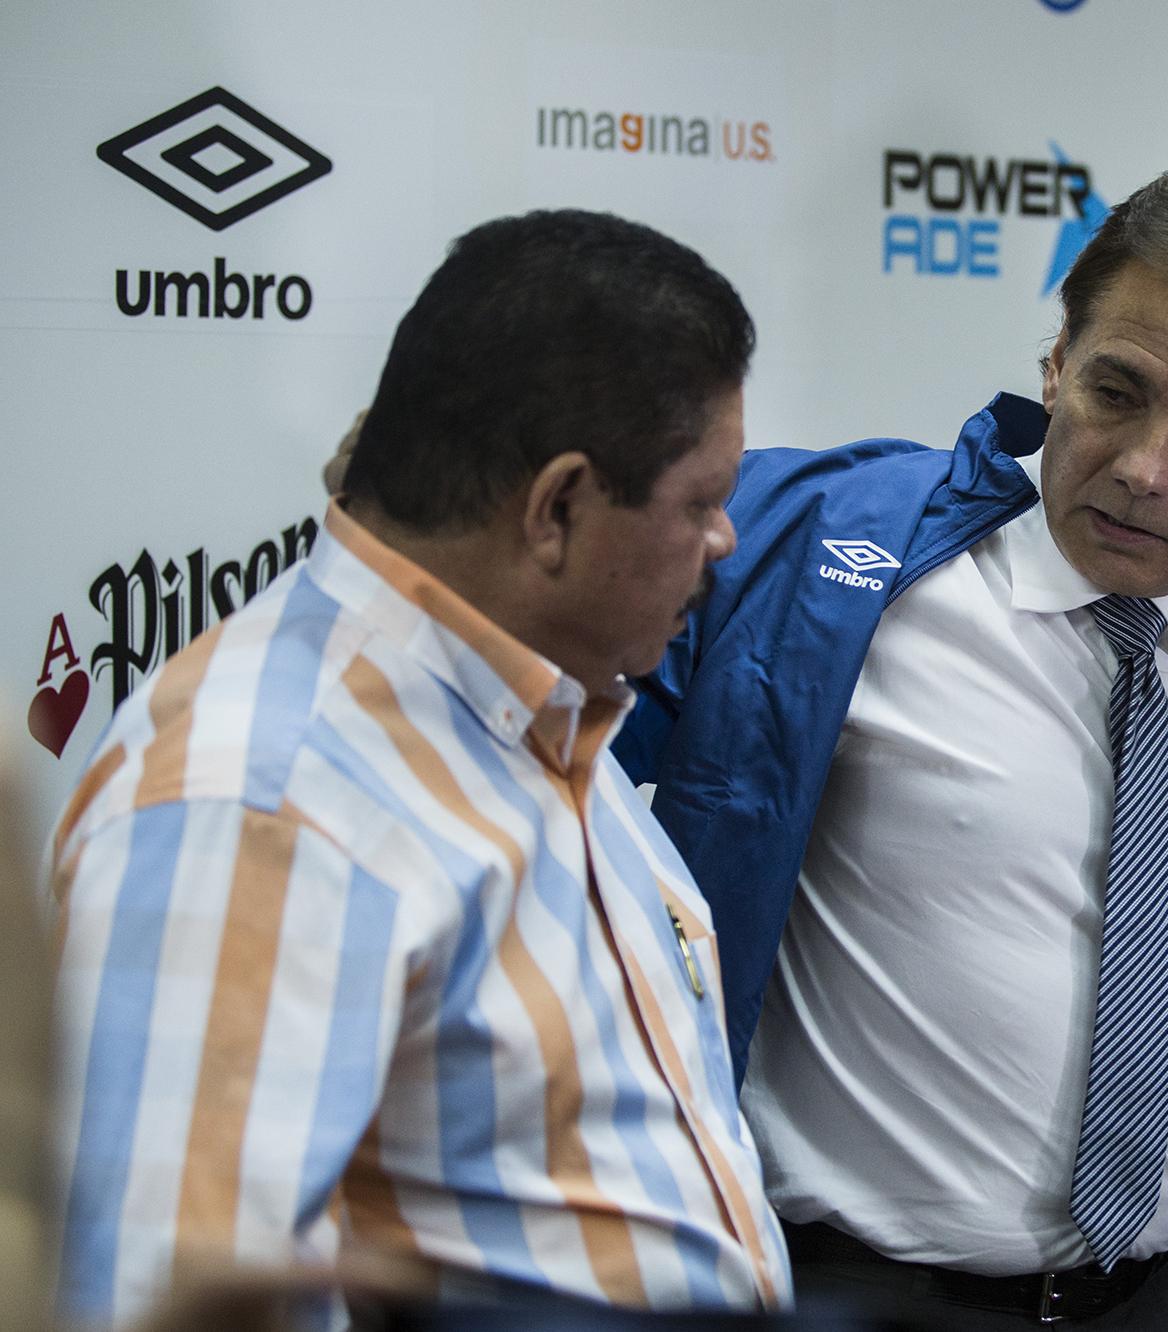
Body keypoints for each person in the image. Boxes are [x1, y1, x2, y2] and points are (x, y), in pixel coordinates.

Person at [613, 162, 1168, 1331]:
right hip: (851, 1289)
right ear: (1055, 361)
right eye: (1116, 390)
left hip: (1157, 1299)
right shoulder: (832, 564)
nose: (1142, 465)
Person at [46, 210, 789, 1328]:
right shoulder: (263, 799)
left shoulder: (543, 712)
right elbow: (159, 1299)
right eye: (700, 502)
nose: (724, 542)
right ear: (558, 510)